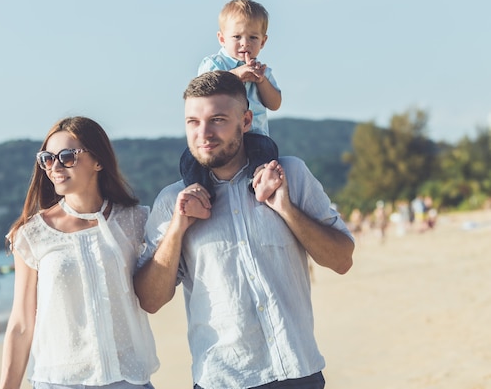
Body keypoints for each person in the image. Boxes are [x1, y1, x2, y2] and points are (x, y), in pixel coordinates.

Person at [135, 71, 355, 389]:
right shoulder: (172, 201)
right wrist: (177, 227)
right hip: (221, 379)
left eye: (218, 119)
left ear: (246, 120)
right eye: (192, 122)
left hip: (297, 371)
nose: (203, 133)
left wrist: (285, 208)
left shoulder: (290, 173)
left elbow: (342, 260)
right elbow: (151, 300)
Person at [0, 117, 159, 389]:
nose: (55, 166)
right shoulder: (31, 234)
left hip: (129, 377)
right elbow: (21, 324)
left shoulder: (135, 221)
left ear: (98, 161)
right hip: (59, 381)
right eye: (47, 159)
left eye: (67, 156)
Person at [181, 0, 282, 203]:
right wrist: (237, 74)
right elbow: (207, 88)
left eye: (253, 37)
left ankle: (258, 184)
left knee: (266, 151)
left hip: (254, 133)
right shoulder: (214, 63)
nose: (245, 43)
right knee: (190, 159)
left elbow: (275, 103)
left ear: (263, 42)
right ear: (222, 38)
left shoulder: (263, 71)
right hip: (218, 136)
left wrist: (261, 81)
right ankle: (201, 192)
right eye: (237, 37)